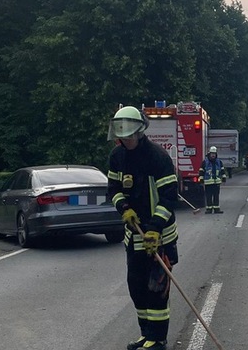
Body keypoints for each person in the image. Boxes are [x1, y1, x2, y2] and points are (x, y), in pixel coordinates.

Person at [106, 106, 179, 350]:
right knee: (137, 288)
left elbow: (169, 197)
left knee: (156, 289)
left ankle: (158, 339)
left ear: (139, 132)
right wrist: (124, 208)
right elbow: (114, 190)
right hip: (134, 236)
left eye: (128, 135)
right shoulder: (117, 157)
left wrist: (155, 228)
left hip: (159, 237)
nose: (124, 139)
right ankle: (146, 335)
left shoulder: (157, 157)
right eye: (121, 135)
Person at [199, 146, 226, 214]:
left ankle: (216, 209)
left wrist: (224, 178)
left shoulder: (219, 162)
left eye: (214, 153)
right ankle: (209, 209)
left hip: (216, 182)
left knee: (216, 196)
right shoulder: (205, 162)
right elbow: (201, 171)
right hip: (208, 182)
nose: (213, 155)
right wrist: (201, 180)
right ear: (209, 154)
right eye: (212, 153)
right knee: (208, 196)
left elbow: (222, 170)